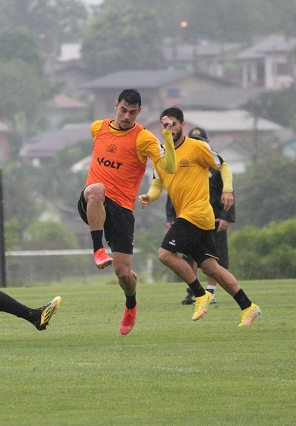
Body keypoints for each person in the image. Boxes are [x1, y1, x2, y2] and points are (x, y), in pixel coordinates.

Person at [139, 107, 261, 327]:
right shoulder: (160, 155)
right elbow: (158, 183)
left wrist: (228, 190)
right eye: (165, 125)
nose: (169, 128)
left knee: (165, 254)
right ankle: (248, 307)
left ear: (182, 125)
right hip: (191, 217)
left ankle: (199, 293)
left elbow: (223, 166)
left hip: (197, 213)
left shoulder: (197, 146)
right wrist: (150, 196)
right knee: (210, 268)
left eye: (173, 124)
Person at [77, 88, 177, 335]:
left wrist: (166, 136)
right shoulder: (97, 128)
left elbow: (170, 167)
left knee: (123, 274)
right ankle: (98, 249)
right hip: (93, 201)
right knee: (96, 190)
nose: (126, 117)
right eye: (123, 110)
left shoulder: (144, 138)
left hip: (121, 210)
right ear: (116, 106)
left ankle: (131, 303)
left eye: (132, 113)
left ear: (139, 112)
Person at [165, 127, 236, 306]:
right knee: (191, 256)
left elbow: (228, 191)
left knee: (215, 257)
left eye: (201, 140)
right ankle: (194, 291)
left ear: (208, 141)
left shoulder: (215, 163)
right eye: (194, 140)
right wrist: (171, 217)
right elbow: (173, 191)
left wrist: (227, 217)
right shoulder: (183, 159)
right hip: (189, 217)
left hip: (214, 218)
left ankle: (210, 291)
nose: (198, 143)